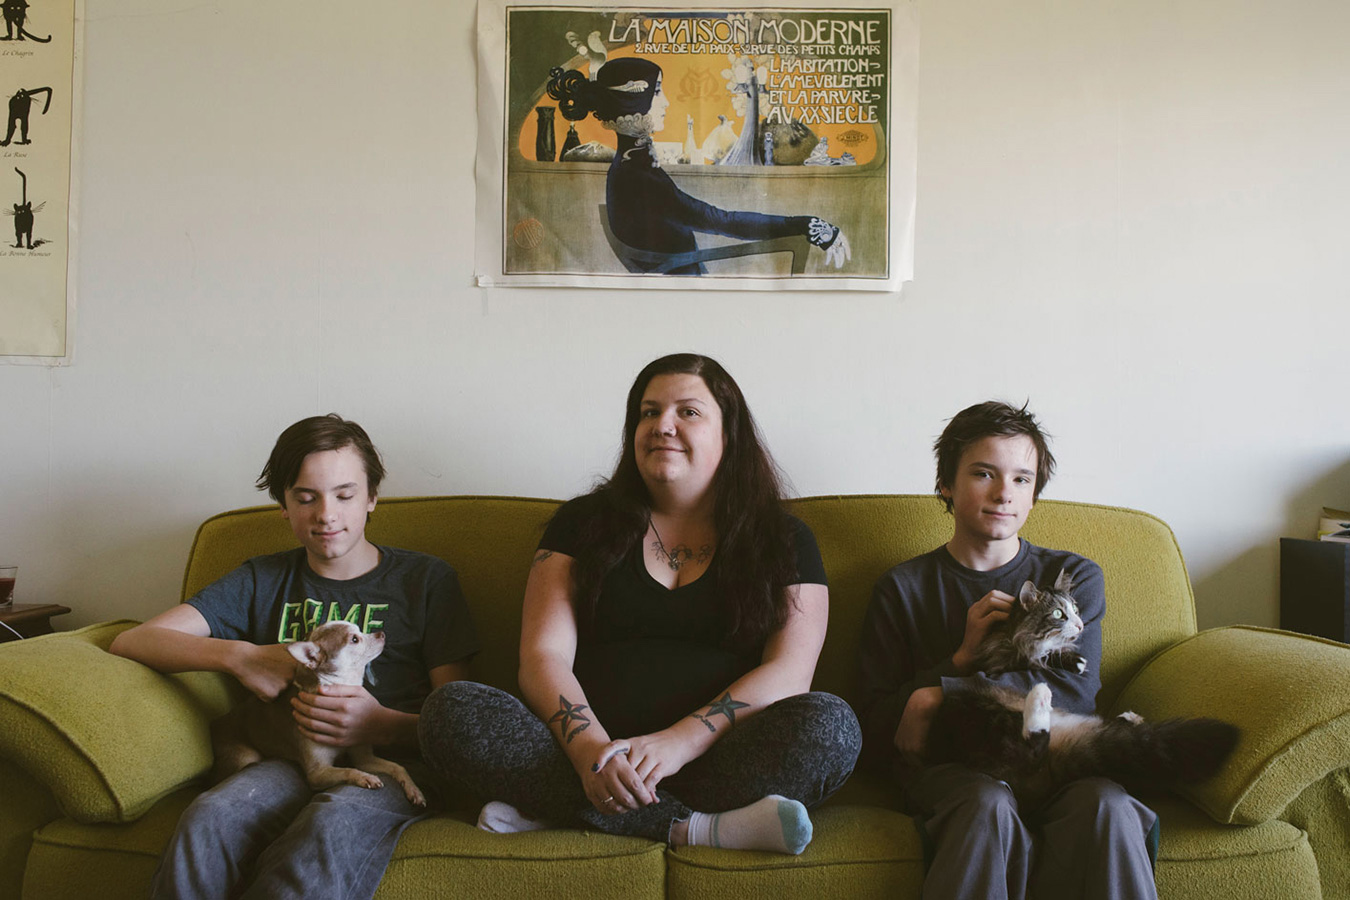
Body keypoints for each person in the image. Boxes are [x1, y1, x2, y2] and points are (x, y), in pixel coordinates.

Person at [419, 353, 860, 854]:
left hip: (717, 759)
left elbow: (790, 672)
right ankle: (694, 828)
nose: (662, 426)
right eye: (648, 413)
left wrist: (679, 741)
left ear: (729, 433)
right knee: (449, 712)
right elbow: (543, 656)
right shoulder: (581, 524)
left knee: (831, 727)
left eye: (687, 412)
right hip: (577, 755)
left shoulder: (784, 538)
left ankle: (559, 811)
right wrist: (589, 753)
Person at [109, 414, 479, 900]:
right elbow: (132, 642)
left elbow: (460, 716)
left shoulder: (426, 581)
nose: (326, 514)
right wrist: (241, 657)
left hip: (390, 762)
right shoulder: (261, 580)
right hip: (287, 759)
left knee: (325, 829)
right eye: (306, 497)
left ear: (372, 498)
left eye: (345, 495)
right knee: (208, 817)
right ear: (283, 504)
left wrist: (382, 724)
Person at [858, 401, 1159, 900]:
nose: (1004, 493)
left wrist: (940, 695)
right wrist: (958, 661)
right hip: (959, 770)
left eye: (1022, 479)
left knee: (1107, 804)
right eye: (983, 473)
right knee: (985, 804)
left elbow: (1075, 692)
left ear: (1035, 493)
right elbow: (873, 723)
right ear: (946, 485)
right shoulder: (902, 587)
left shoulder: (1073, 577)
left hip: (1060, 760)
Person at [546, 58, 852, 275]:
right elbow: (722, 221)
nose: (666, 102)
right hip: (681, 288)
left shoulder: (632, 166)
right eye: (656, 92)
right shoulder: (638, 176)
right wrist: (806, 225)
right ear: (631, 103)